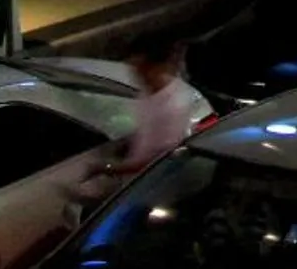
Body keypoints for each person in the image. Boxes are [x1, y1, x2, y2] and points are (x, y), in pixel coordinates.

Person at [76, 41, 213, 202]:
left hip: (155, 191)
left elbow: (158, 159)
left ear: (157, 67)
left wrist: (106, 168)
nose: (136, 73)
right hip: (134, 184)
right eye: (134, 68)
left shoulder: (174, 105)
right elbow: (145, 132)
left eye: (142, 68)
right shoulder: (147, 91)